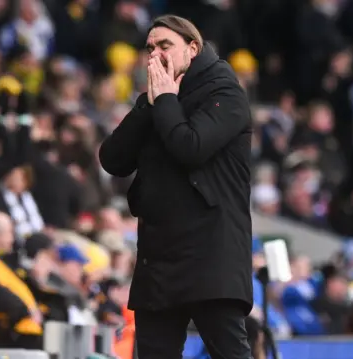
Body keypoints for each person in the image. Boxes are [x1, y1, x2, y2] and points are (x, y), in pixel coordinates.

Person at [98, 14, 253, 359]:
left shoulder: (225, 92)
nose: (155, 55)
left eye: (165, 45)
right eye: (150, 47)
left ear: (192, 48)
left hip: (210, 252)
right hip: (159, 255)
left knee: (230, 352)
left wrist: (166, 100)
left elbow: (191, 147)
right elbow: (112, 159)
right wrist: (148, 104)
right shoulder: (155, 97)